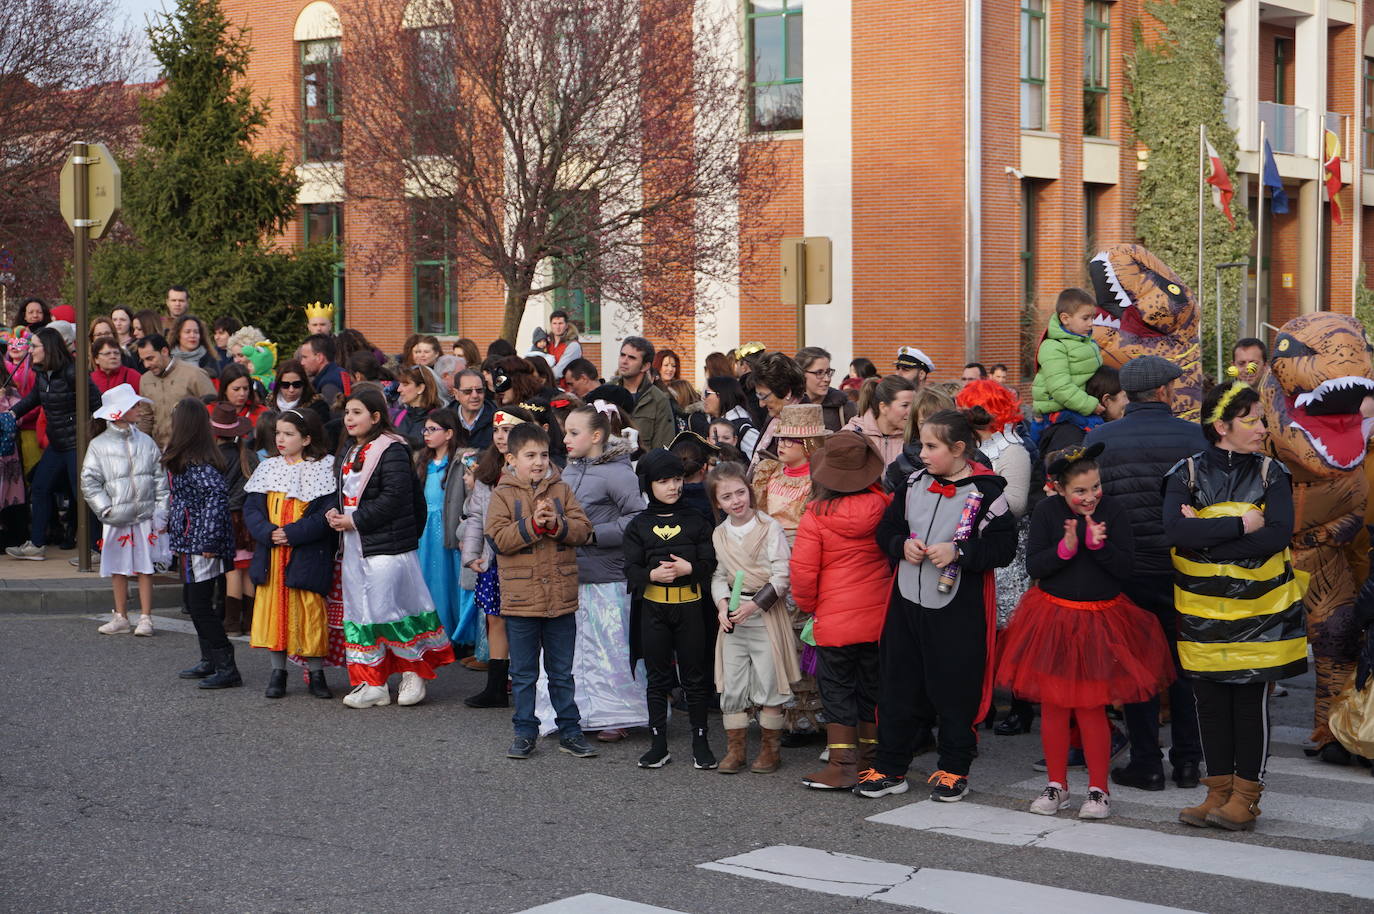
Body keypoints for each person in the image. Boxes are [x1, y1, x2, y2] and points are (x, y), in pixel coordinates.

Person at [997, 444, 1174, 820]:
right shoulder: (1046, 512)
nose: (1091, 496)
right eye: (1080, 491)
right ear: (1059, 488)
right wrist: (1065, 549)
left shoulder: (1114, 511)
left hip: (1100, 620)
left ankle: (1098, 790)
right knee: (1055, 706)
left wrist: (1099, 547)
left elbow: (1125, 569)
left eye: (1095, 487)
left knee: (1091, 707)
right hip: (1053, 618)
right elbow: (1035, 564)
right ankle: (1057, 785)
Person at [1163, 379, 1305, 831]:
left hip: (1258, 613)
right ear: (1221, 426)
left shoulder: (1271, 473)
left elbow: (1278, 534)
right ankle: (1217, 791)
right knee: (1208, 701)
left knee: (1248, 702)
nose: (1263, 428)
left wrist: (1207, 538)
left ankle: (1246, 795)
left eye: (1261, 419)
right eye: (1253, 420)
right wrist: (1242, 525)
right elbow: (1175, 533)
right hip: (1202, 612)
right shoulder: (1184, 471)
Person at [855, 409, 1017, 801]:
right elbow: (888, 530)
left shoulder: (988, 494)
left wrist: (960, 550)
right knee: (897, 684)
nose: (922, 453)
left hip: (958, 609)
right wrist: (900, 546)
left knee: (955, 687)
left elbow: (1004, 548)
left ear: (959, 449)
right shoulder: (912, 484)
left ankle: (953, 767)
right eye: (922, 444)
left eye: (931, 446)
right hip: (906, 602)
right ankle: (892, 766)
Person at [1084, 355, 1207, 791]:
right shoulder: (1197, 438)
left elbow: (1091, 506)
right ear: (1162, 392)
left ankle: (1146, 763)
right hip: (1186, 568)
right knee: (1187, 666)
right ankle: (1190, 762)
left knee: (1136, 670)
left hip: (1128, 570)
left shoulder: (1101, 439)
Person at [327, 386, 455, 708]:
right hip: (356, 546)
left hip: (387, 546)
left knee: (390, 610)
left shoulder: (392, 449)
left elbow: (395, 499)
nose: (349, 419)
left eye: (357, 412)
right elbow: (344, 494)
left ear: (376, 416)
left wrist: (353, 520)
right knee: (362, 613)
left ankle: (415, 671)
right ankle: (374, 682)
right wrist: (336, 512)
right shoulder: (349, 450)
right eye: (347, 413)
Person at [533, 402, 647, 742]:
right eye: (565, 431)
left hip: (607, 578)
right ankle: (570, 711)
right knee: (571, 648)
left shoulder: (619, 473)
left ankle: (616, 713)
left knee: (609, 647)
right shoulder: (566, 472)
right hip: (570, 575)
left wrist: (595, 534)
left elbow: (637, 519)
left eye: (573, 432)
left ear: (596, 436)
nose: (565, 438)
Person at [485, 422, 597, 759]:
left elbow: (583, 530)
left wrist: (556, 524)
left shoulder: (561, 491)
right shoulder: (502, 494)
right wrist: (533, 525)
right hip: (521, 602)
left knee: (562, 671)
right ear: (512, 459)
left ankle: (570, 730)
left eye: (544, 455)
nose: (538, 462)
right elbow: (498, 539)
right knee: (523, 673)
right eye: (530, 455)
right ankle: (524, 730)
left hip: (560, 599)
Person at [792, 431, 893, 789]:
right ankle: (870, 761)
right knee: (872, 689)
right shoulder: (886, 506)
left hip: (834, 621)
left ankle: (841, 765)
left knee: (836, 691)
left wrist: (811, 608)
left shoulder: (815, 516)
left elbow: (803, 577)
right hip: (879, 618)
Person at [624, 449, 718, 769]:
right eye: (663, 481)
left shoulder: (697, 519)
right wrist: (650, 575)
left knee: (695, 677)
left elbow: (711, 562)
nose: (672, 487)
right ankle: (658, 743)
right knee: (657, 679)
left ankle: (701, 742)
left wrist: (690, 568)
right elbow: (630, 569)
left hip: (691, 608)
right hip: (653, 610)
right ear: (648, 485)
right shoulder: (638, 525)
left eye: (677, 479)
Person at [704, 460, 798, 775]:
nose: (736, 500)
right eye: (727, 497)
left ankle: (771, 750)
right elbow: (718, 575)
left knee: (770, 681)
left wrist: (754, 606)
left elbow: (782, 576)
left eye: (740, 492)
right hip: (733, 616)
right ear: (717, 503)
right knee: (732, 683)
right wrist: (721, 606)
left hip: (764, 613)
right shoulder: (719, 533)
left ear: (749, 490)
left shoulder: (768, 526)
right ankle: (736, 750)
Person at [243, 408, 339, 700]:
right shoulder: (269, 467)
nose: (281, 439)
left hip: (306, 553)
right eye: (278, 433)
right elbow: (252, 508)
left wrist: (294, 533)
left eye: (289, 434)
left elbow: (326, 513)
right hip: (273, 554)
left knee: (310, 610)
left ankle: (316, 672)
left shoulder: (325, 467)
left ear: (307, 438)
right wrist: (267, 531)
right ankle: (278, 672)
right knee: (275, 611)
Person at [4, 327, 102, 560]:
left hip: (77, 444)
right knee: (39, 487)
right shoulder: (43, 373)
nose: (30, 350)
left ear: (48, 349)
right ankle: (36, 545)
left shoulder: (71, 372)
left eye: (35, 346)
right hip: (57, 443)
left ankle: (96, 548)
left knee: (83, 494)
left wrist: (94, 435)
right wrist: (11, 413)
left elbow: (96, 401)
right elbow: (34, 399)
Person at [165, 398, 241, 689]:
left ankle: (226, 664)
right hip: (193, 540)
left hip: (201, 543)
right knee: (197, 603)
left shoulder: (198, 463)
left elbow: (215, 502)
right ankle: (210, 659)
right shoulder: (194, 458)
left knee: (199, 605)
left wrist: (208, 539)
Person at [460, 407, 534, 707]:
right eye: (497, 431)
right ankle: (495, 685)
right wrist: (471, 554)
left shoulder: (534, 467)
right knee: (495, 620)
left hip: (523, 558)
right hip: (493, 559)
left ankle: (528, 681)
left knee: (526, 622)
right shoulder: (488, 468)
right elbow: (476, 516)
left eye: (509, 430)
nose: (501, 436)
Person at [82, 385, 168, 636]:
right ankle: (120, 616)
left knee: (145, 567)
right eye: (134, 405)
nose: (140, 408)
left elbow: (159, 479)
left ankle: (145, 618)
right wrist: (106, 509)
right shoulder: (99, 445)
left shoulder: (146, 441)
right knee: (118, 567)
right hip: (116, 517)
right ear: (118, 412)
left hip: (144, 516)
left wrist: (161, 512)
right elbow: (89, 480)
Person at [414, 408, 479, 656]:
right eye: (425, 429)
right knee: (428, 579)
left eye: (433, 429)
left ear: (449, 433)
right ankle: (432, 633)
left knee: (452, 581)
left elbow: (473, 495)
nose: (427, 435)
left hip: (449, 526)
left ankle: (457, 635)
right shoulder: (421, 459)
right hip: (426, 529)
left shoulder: (464, 459)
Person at [210, 401, 259, 635]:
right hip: (249, 520)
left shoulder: (213, 457)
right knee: (247, 569)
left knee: (231, 571)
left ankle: (231, 622)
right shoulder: (248, 456)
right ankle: (251, 622)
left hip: (226, 519)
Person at [1031, 288, 1103, 423]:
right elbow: (1060, 388)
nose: (1091, 323)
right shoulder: (1054, 347)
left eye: (1092, 317)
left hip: (1076, 404)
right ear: (1065, 319)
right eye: (1085, 318)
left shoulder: (1086, 341)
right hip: (1057, 411)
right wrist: (1090, 405)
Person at [136, 333, 216, 449]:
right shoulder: (145, 379)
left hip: (191, 449)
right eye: (142, 360)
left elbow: (213, 411)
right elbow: (146, 418)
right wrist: (141, 447)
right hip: (159, 451)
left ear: (164, 351)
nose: (146, 364)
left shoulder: (194, 374)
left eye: (150, 358)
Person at [1038, 365, 1122, 458]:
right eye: (1125, 396)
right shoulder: (1071, 435)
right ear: (1106, 400)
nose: (1130, 402)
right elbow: (1076, 471)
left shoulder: (1094, 428)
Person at [612, 336, 675, 451]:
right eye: (622, 355)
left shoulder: (659, 400)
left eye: (631, 358)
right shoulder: (606, 393)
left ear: (645, 366)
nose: (624, 361)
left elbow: (662, 448)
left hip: (642, 466)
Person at [845, 374, 915, 470]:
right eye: (905, 405)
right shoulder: (852, 435)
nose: (911, 411)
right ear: (883, 407)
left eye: (913, 405)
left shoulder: (916, 437)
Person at [750, 352, 807, 467]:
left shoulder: (806, 422)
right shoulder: (775, 416)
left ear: (787, 391)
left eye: (764, 396)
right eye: (758, 396)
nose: (761, 404)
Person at [796, 346, 857, 432]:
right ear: (801, 373)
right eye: (819, 373)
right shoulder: (787, 406)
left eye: (828, 372)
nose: (827, 379)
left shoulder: (845, 408)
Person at [703, 376, 759, 460]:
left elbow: (759, 463)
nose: (704, 397)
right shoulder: (715, 422)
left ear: (721, 395)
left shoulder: (744, 428)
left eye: (707, 393)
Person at [393, 365, 439, 447]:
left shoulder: (437, 418)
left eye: (405, 384)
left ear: (420, 388)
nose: (399, 389)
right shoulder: (398, 416)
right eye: (400, 384)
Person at [453, 368, 495, 449]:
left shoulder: (497, 419)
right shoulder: (444, 421)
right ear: (456, 394)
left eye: (479, 390)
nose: (475, 395)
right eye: (467, 391)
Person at [169, 314, 220, 380]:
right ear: (178, 335)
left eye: (196, 332)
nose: (192, 335)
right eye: (187, 332)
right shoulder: (168, 359)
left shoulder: (210, 359)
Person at [300, 334, 346, 406]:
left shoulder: (329, 385)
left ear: (319, 357)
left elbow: (335, 414)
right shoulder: (339, 372)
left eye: (305, 357)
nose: (302, 363)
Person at [547, 310, 583, 376]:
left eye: (560, 323)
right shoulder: (546, 343)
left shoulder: (573, 345)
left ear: (566, 325)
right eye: (554, 323)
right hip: (549, 383)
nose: (557, 327)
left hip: (566, 385)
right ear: (551, 325)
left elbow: (559, 371)